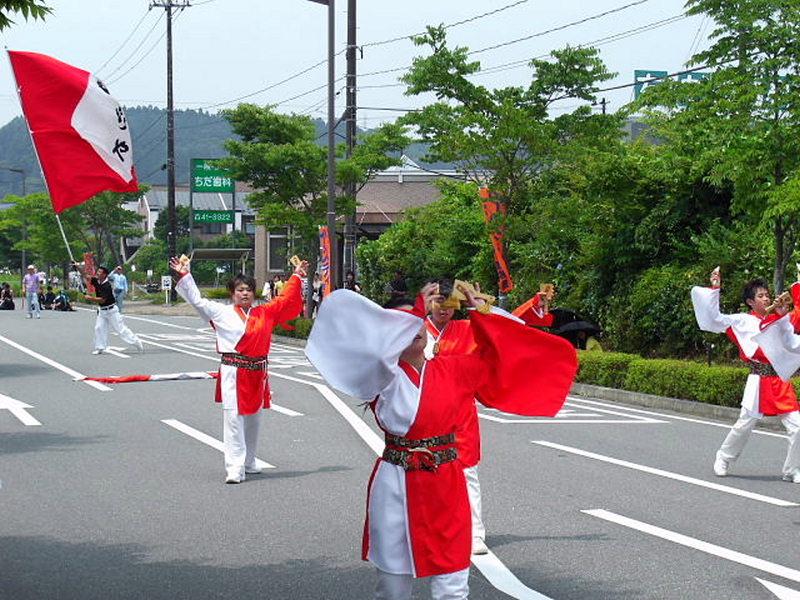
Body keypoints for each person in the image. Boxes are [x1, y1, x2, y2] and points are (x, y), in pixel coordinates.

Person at [306, 284, 578, 600]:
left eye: (417, 322)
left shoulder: (456, 369)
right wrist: (417, 304)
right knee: (393, 588)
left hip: (446, 483)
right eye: (402, 324)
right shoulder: (380, 377)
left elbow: (499, 356)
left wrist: (481, 311)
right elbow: (356, 347)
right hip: (395, 484)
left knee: (453, 584)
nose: (414, 328)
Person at [170, 255, 307, 484]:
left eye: (248, 290)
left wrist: (297, 276)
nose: (245, 293)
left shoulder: (264, 312)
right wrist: (184, 274)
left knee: (254, 418)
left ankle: (250, 461)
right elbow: (197, 300)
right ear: (232, 293)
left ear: (254, 293)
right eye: (240, 290)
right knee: (233, 418)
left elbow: (285, 300)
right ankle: (234, 467)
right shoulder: (220, 312)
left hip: (257, 372)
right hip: (234, 371)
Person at [691, 268, 800, 483]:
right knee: (744, 425)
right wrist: (715, 288)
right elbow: (712, 319)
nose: (766, 297)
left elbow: (796, 318)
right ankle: (724, 457)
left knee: (797, 427)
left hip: (779, 381)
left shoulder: (779, 319)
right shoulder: (741, 321)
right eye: (760, 295)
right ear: (751, 302)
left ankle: (792, 468)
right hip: (758, 380)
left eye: (767, 294)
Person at [423, 279, 487, 556]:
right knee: (425, 474)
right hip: (423, 416)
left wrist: (477, 304)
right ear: (428, 301)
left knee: (467, 472)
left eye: (450, 304)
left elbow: (501, 331)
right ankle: (430, 531)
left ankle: (474, 534)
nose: (444, 309)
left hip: (461, 414)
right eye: (438, 301)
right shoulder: (413, 329)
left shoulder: (468, 330)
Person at [73, 262, 144, 355]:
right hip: (102, 311)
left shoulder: (107, 286)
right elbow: (86, 275)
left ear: (104, 275)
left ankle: (136, 342)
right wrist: (77, 267)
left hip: (111, 311)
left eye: (100, 272)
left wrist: (90, 298)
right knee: (99, 328)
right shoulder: (96, 281)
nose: (97, 273)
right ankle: (100, 347)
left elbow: (102, 300)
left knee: (120, 330)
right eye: (97, 272)